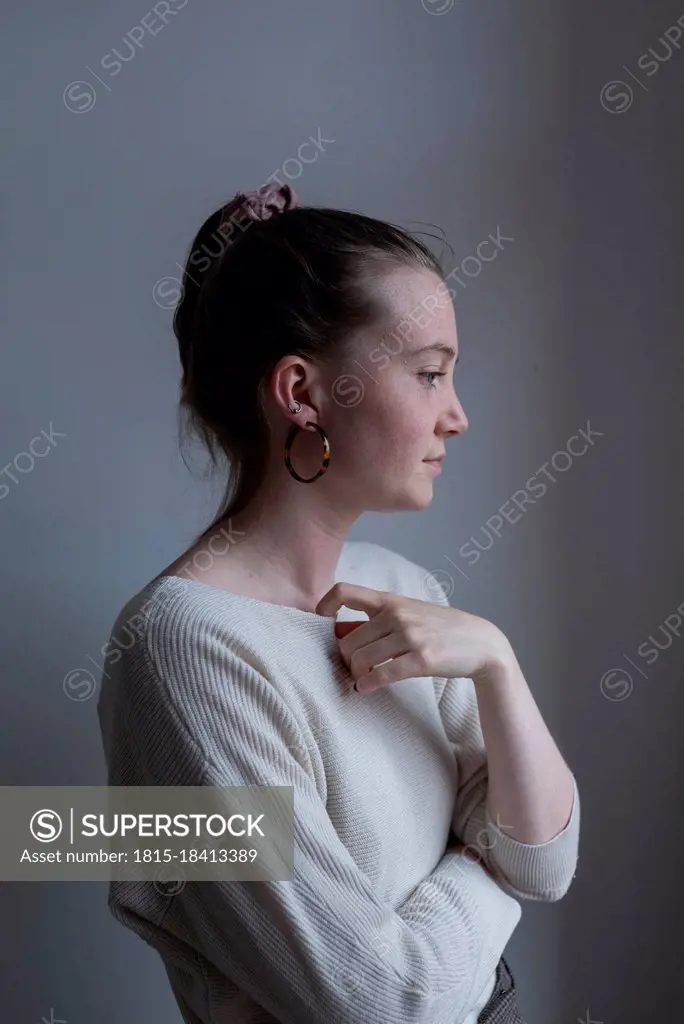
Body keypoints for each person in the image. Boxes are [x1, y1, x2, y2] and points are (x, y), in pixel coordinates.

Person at [97, 182, 581, 1024]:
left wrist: (497, 664)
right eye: (429, 373)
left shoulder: (406, 591)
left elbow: (548, 863)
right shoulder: (176, 652)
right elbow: (388, 1004)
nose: (457, 417)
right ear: (301, 393)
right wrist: (484, 861)